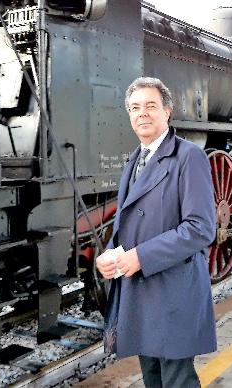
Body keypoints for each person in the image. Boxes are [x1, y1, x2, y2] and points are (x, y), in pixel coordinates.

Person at [96, 77, 217, 388]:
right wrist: (110, 252)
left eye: (151, 106)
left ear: (167, 112)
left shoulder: (189, 156)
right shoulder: (133, 160)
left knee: (177, 380)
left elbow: (201, 228)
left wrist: (141, 256)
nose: (142, 114)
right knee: (152, 378)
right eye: (135, 108)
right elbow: (128, 222)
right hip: (140, 290)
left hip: (174, 290)